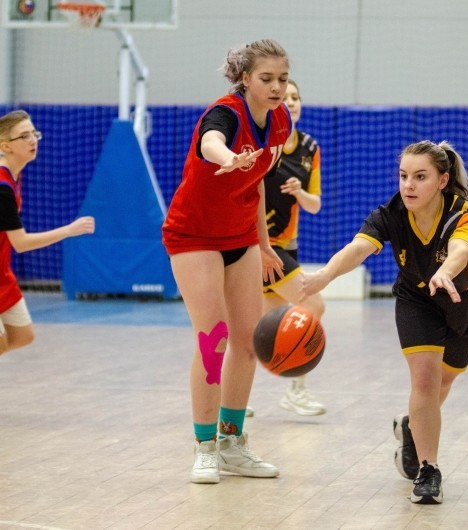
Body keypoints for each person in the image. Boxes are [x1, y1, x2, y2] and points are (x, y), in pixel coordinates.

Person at [302, 140, 468, 504]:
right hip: (417, 299)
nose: (409, 185)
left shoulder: (464, 212)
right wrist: (325, 275)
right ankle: (429, 470)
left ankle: (411, 425)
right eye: (404, 176)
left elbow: (461, 249)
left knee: (444, 380)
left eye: (420, 177)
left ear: (442, 180)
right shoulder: (390, 214)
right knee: (425, 380)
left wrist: (445, 272)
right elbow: (358, 248)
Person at [162, 39, 291, 484]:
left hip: (241, 237)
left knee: (248, 342)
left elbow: (256, 183)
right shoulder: (226, 113)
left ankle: (232, 443)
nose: (276, 87)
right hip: (193, 235)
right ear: (245, 78)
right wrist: (230, 158)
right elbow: (210, 142)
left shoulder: (280, 120)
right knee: (212, 340)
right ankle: (205, 448)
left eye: (282, 78)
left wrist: (265, 243)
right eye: (266, 78)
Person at [0, 110, 95, 356]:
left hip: (2, 272)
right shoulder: (2, 188)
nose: (33, 140)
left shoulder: (14, 174)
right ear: (6, 146)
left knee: (22, 335)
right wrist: (69, 230)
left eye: (34, 134)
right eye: (24, 136)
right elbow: (21, 243)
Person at [262, 79, 326, 416]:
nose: (292, 102)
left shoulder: (310, 148)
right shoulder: (262, 143)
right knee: (314, 304)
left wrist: (299, 192)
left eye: (296, 97)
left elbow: (315, 204)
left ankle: (231, 398)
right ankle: (297, 389)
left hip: (289, 245)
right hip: (262, 248)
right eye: (285, 97)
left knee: (254, 328)